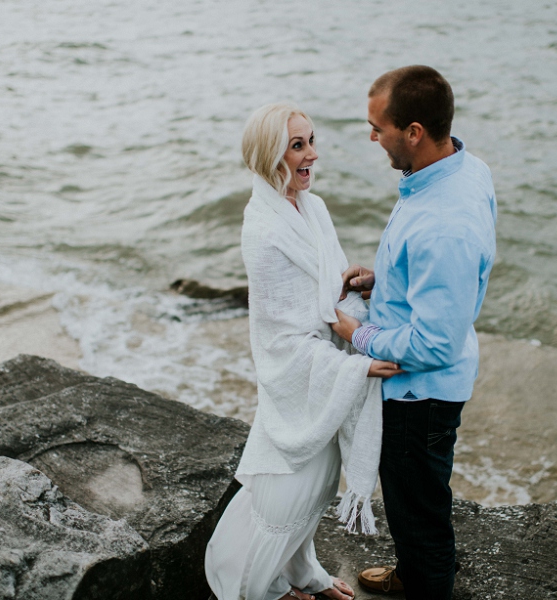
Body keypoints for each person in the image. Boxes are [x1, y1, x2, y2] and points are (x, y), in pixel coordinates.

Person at [205, 102, 403, 600]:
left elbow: (330, 292)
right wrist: (356, 368)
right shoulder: (265, 231)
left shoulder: (310, 207)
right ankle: (252, 590)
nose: (312, 154)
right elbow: (281, 337)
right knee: (286, 503)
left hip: (322, 374)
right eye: (298, 145)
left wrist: (361, 298)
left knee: (305, 504)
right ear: (271, 155)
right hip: (301, 380)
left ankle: (301, 576)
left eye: (311, 140)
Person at [331, 66, 497, 600]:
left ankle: (424, 582)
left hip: (419, 392)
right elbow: (443, 281)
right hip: (429, 381)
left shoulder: (443, 226)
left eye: (377, 127)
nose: (371, 136)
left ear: (414, 132)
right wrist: (390, 280)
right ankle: (413, 571)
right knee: (415, 500)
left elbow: (434, 343)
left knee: (418, 507)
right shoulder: (463, 169)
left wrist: (359, 335)